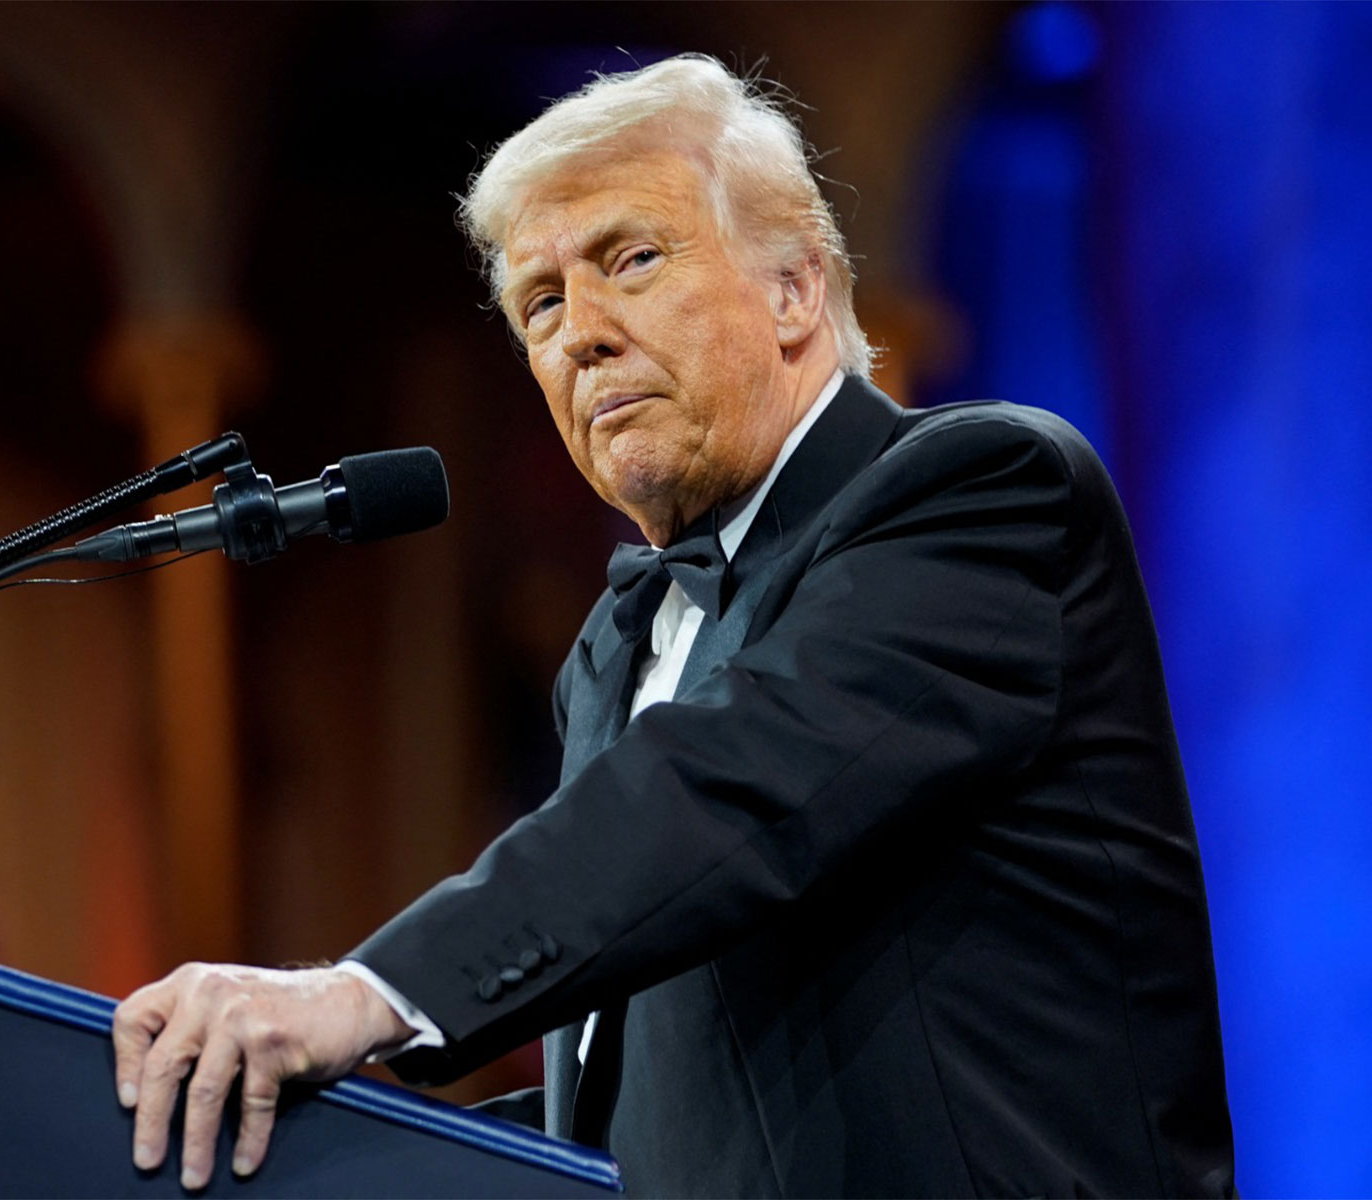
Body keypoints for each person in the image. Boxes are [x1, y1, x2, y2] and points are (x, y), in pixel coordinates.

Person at [112, 55, 1237, 1196]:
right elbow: (648, 1096)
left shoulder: (979, 493)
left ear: (795, 286)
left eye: (632, 260)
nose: (578, 336)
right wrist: (317, 1142)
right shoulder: (620, 643)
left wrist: (362, 997)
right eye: (540, 302)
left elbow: (730, 786)